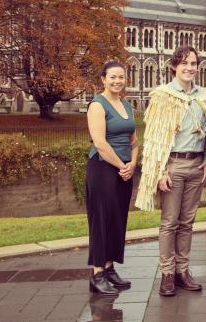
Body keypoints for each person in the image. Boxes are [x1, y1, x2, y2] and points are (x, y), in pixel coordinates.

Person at [134, 46, 206, 296]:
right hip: (173, 165)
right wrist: (160, 171)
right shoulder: (163, 95)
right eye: (184, 63)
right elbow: (154, 137)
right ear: (174, 66)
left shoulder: (205, 95)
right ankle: (167, 274)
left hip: (196, 165)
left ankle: (183, 271)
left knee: (187, 223)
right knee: (169, 222)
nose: (189, 68)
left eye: (193, 63)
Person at [86, 61, 138, 295]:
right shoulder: (98, 105)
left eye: (121, 77)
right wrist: (121, 166)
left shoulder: (126, 104)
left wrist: (133, 163)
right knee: (102, 219)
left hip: (124, 169)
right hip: (103, 168)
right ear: (103, 79)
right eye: (112, 77)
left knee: (118, 219)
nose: (117, 81)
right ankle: (97, 274)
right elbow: (100, 143)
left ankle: (109, 268)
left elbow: (134, 141)